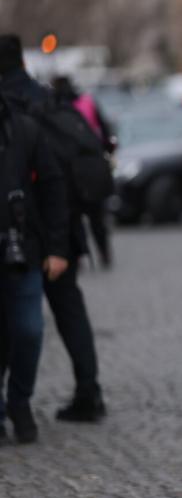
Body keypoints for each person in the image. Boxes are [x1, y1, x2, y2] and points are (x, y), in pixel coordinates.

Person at [0, 36, 108, 424]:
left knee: (14, 320)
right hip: (63, 223)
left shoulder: (12, 107)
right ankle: (88, 391)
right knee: (68, 310)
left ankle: (15, 401)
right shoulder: (45, 96)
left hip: (26, 230)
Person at [0, 35, 70, 443]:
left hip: (22, 245)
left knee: (28, 330)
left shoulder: (24, 129)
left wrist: (58, 248)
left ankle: (20, 399)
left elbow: (53, 188)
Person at [52, 75, 116, 268]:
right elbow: (104, 130)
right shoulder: (86, 103)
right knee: (97, 218)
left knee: (75, 218)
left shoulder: (55, 112)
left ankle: (78, 255)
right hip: (93, 167)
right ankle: (104, 254)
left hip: (72, 173)